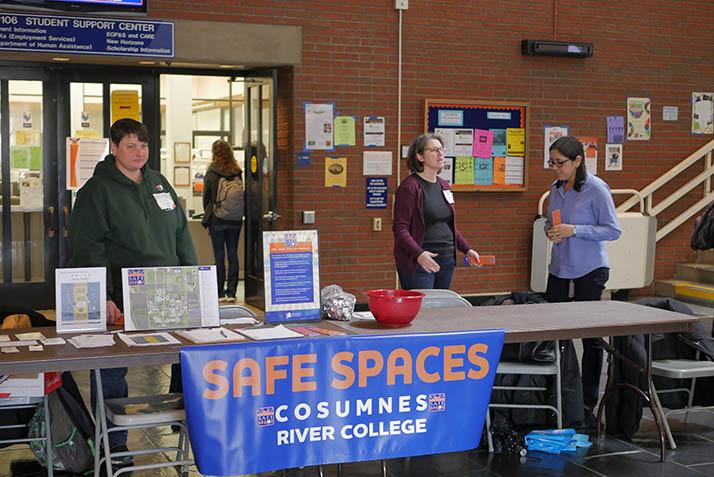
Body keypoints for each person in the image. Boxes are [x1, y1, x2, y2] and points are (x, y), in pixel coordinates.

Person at [68, 118, 197, 461]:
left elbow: (181, 234)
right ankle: (115, 447)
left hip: (167, 291)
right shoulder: (97, 191)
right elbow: (87, 248)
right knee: (112, 373)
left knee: (184, 359)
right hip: (123, 296)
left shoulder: (158, 183)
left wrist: (193, 279)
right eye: (130, 146)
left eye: (143, 145)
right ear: (113, 148)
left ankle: (184, 433)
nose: (139, 153)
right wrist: (103, 296)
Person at [544, 135, 621, 427]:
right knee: (555, 335)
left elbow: (613, 230)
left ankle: (587, 402)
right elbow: (553, 223)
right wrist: (550, 232)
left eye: (560, 163)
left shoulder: (597, 189)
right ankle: (559, 395)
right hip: (560, 269)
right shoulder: (555, 189)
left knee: (591, 339)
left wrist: (575, 230)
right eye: (552, 163)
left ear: (577, 160)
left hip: (590, 270)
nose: (555, 168)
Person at [393, 133, 480, 290]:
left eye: (441, 149)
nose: (441, 154)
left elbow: (449, 225)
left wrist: (467, 249)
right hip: (419, 261)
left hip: (446, 259)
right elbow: (400, 229)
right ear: (420, 156)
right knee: (424, 310)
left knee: (440, 310)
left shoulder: (443, 185)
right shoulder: (409, 187)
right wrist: (419, 254)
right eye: (434, 150)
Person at [202, 139, 244, 302]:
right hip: (235, 219)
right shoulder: (237, 171)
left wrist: (209, 211)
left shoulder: (212, 171)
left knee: (219, 255)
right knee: (233, 254)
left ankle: (219, 293)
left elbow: (207, 195)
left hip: (217, 219)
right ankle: (232, 293)